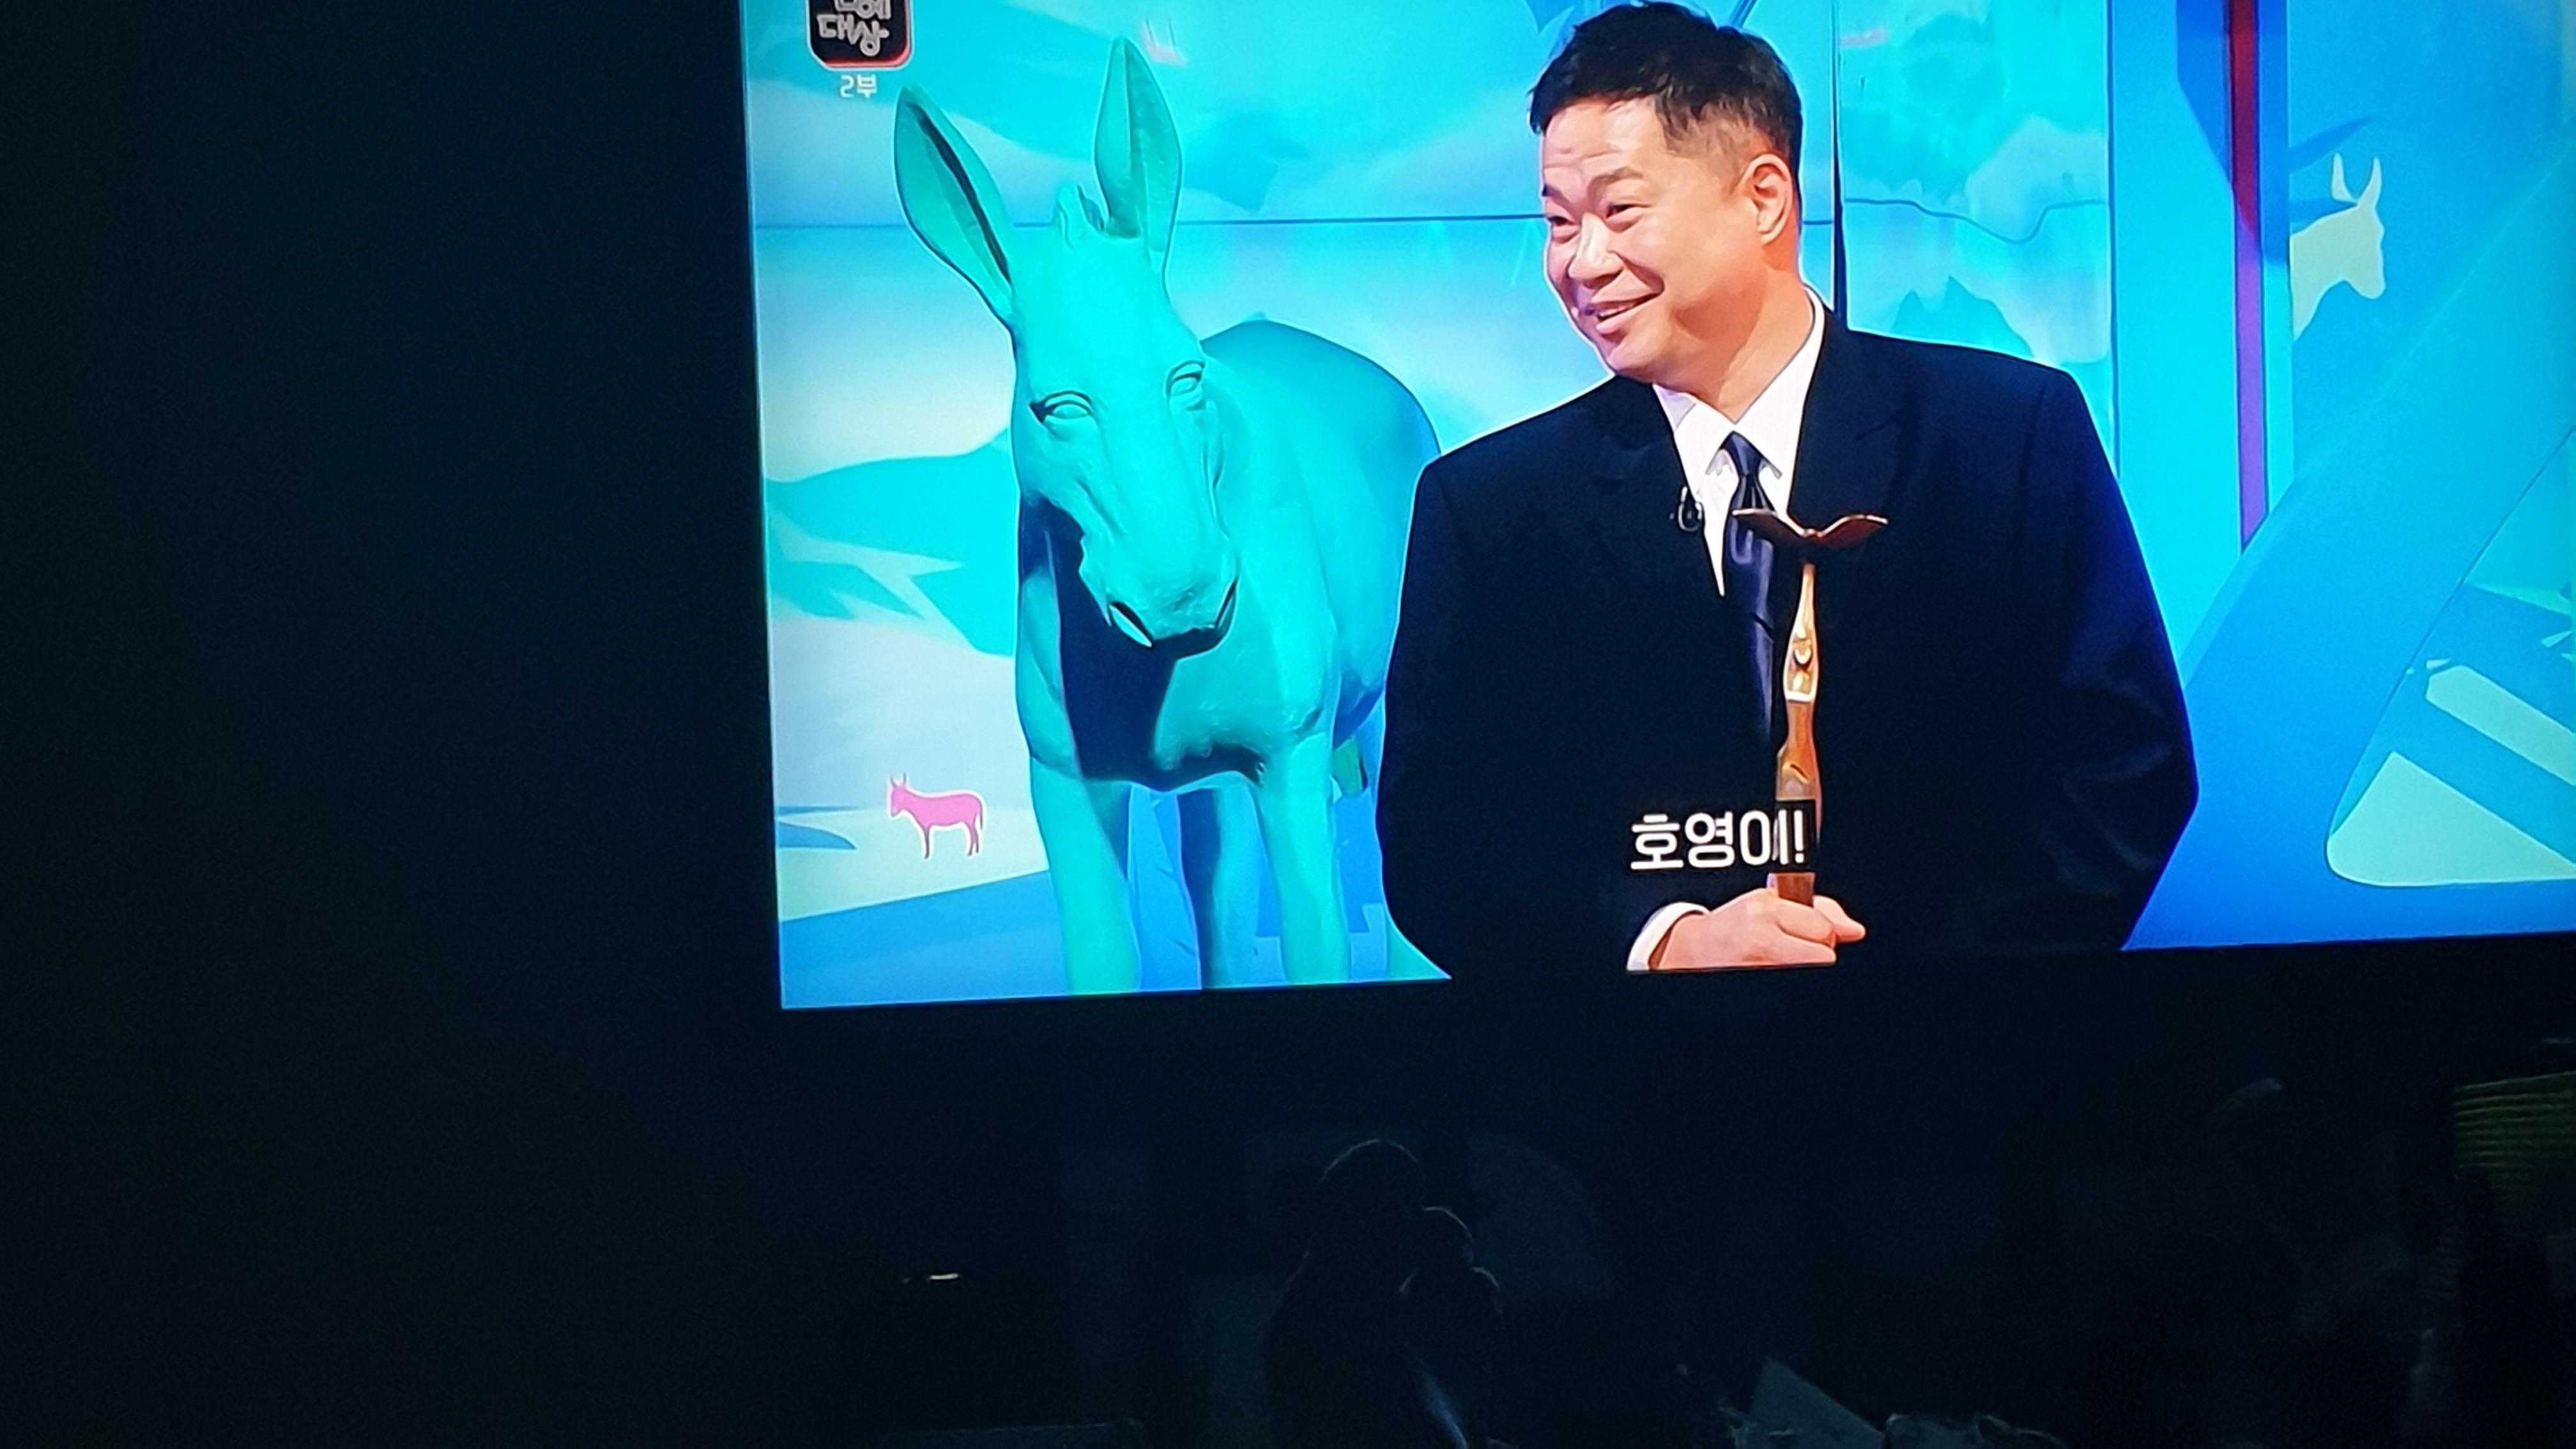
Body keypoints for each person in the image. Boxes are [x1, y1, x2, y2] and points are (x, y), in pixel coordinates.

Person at [1377, 4, 2195, 981]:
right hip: (1631, 1067)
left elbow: (2126, 769)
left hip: (1964, 1051)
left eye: (1619, 212)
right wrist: (1666, 943)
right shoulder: (1489, 510)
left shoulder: (2004, 439)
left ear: (1763, 198)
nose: (1581, 263)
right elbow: (1442, 844)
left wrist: (1913, 991)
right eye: (1559, 223)